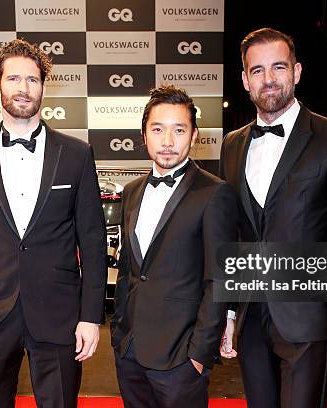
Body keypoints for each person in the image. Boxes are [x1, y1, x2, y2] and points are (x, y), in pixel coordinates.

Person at [0, 39, 106, 408]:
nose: (23, 88)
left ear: (44, 86)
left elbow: (92, 240)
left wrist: (91, 316)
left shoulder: (76, 153)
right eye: (13, 78)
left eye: (32, 79)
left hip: (59, 313)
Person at [219, 28, 327, 408]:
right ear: (244, 80)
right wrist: (227, 311)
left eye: (278, 66)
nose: (268, 78)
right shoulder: (232, 144)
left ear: (297, 71)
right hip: (251, 319)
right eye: (257, 70)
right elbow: (233, 235)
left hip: (307, 318)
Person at [110, 85, 239, 408]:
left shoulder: (214, 193)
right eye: (158, 129)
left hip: (181, 360)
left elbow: (220, 280)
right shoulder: (133, 192)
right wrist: (119, 334)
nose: (168, 142)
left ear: (194, 135)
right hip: (130, 351)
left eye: (179, 130)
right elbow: (130, 270)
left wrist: (198, 355)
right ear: (144, 134)